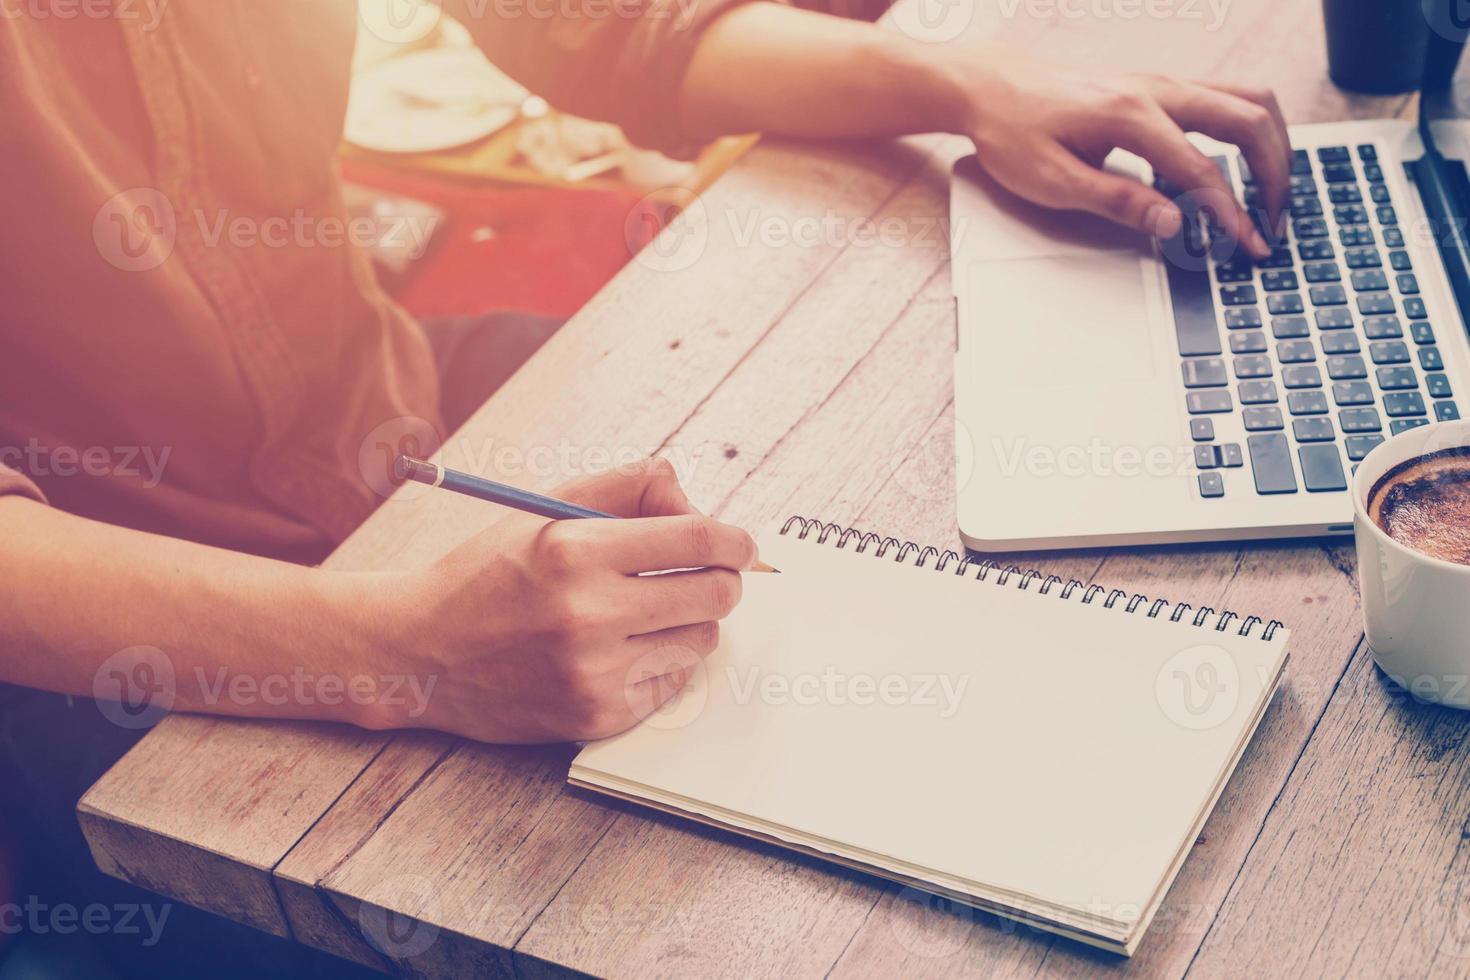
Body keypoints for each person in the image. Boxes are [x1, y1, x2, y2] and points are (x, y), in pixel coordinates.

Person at [0, 0, 1293, 974]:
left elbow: (616, 29)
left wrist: (963, 79)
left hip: (385, 416)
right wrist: (410, 658)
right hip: (112, 631)